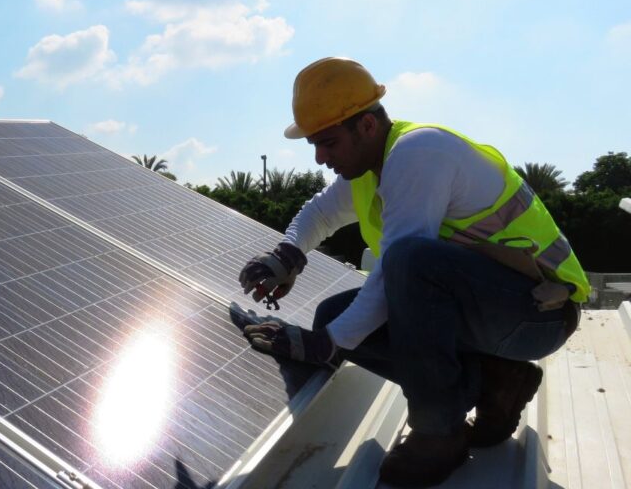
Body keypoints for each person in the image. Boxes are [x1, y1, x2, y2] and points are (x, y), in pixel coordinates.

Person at [237, 57, 589, 487]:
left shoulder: (420, 153)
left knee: (405, 265)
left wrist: (327, 346)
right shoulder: (372, 165)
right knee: (334, 315)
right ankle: (494, 383)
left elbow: (395, 271)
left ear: (366, 126)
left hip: (540, 314)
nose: (319, 157)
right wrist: (285, 255)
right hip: (496, 311)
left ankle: (440, 433)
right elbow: (321, 212)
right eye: (314, 144)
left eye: (327, 142)